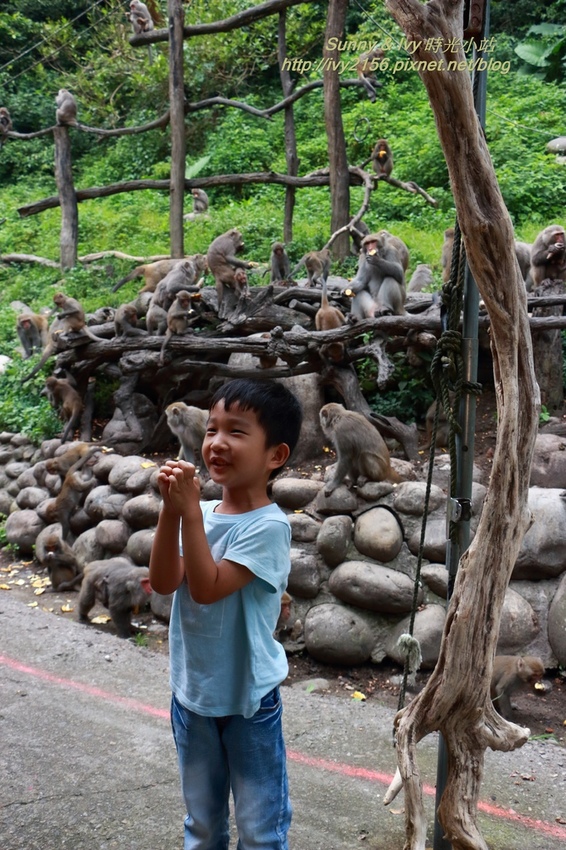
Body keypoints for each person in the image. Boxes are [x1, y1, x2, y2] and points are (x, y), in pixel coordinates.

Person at [149, 378, 303, 850]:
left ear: (275, 455)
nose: (216, 442)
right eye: (212, 428)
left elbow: (207, 587)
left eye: (236, 432)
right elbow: (163, 582)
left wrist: (190, 514)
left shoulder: (269, 527)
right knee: (202, 823)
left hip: (247, 703)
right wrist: (171, 512)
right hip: (192, 695)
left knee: (260, 831)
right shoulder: (206, 512)